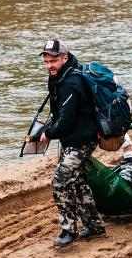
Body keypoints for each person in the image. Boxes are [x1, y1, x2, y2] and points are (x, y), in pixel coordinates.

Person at [35, 39, 106, 247]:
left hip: (81, 140)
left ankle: (69, 231)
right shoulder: (59, 78)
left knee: (60, 182)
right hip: (73, 138)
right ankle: (94, 226)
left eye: (53, 61)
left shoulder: (71, 82)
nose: (49, 66)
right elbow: (61, 114)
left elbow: (66, 120)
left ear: (64, 58)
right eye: (46, 61)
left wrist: (48, 132)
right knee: (78, 181)